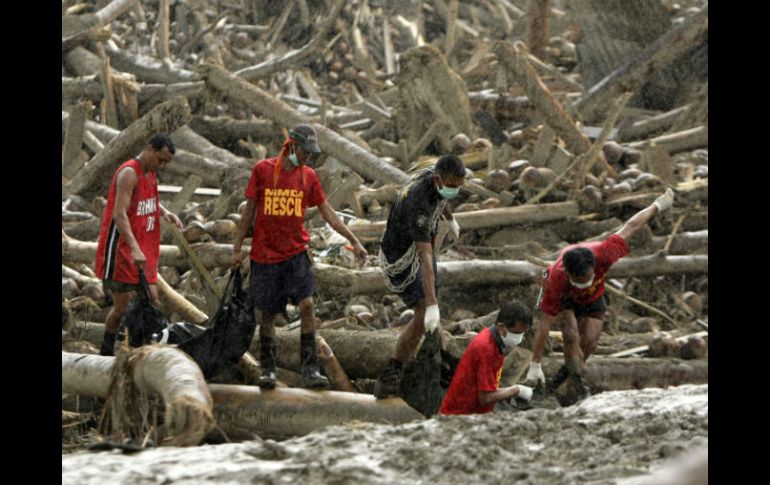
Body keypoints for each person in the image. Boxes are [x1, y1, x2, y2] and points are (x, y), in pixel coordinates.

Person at [230, 124, 367, 389]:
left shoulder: (309, 177)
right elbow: (248, 212)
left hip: (296, 253)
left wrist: (354, 240)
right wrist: (236, 249)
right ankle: (268, 370)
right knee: (268, 315)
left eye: (312, 154)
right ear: (292, 146)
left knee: (307, 306)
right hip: (265, 256)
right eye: (305, 152)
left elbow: (328, 213)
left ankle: (310, 369)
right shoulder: (263, 171)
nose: (308, 158)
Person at [523, 188, 676, 399]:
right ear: (568, 274)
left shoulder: (605, 253)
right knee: (570, 335)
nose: (584, 283)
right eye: (579, 281)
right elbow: (544, 325)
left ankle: (560, 381)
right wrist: (535, 364)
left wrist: (657, 205)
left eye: (587, 278)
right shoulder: (556, 280)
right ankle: (578, 384)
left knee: (590, 341)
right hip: (566, 299)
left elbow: (631, 226)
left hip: (595, 298)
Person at [373, 154, 465, 399]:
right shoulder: (419, 203)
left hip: (421, 248)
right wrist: (432, 304)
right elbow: (424, 257)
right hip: (401, 256)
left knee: (431, 310)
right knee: (424, 311)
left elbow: (441, 198)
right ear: (438, 180)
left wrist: (450, 218)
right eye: (452, 187)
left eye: (458, 187)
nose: (454, 191)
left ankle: (437, 355)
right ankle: (392, 371)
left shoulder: (432, 176)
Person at [94, 134, 183, 356]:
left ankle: (139, 351)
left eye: (166, 163)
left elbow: (147, 198)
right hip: (122, 250)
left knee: (152, 301)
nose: (161, 166)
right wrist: (133, 247)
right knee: (122, 309)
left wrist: (164, 212)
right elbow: (120, 214)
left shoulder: (151, 172)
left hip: (145, 247)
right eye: (160, 160)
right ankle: (106, 350)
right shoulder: (128, 173)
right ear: (149, 149)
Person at [439, 301, 534, 415]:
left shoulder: (494, 341)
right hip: (459, 415)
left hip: (473, 412)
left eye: (522, 334)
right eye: (516, 333)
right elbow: (486, 398)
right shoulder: (486, 348)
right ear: (501, 327)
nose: (519, 338)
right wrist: (516, 390)